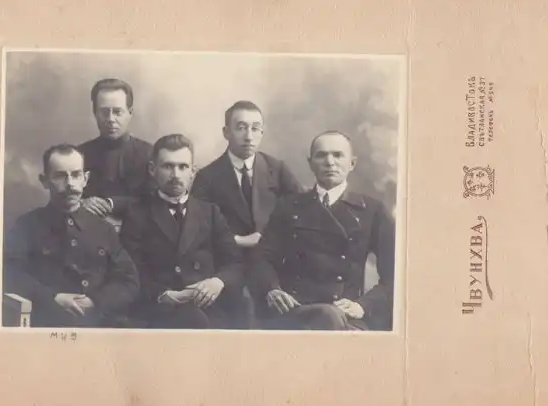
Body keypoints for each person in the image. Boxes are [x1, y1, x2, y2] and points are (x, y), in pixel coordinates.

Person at [250, 131, 395, 331]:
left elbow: (395, 273)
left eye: (338, 155)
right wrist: (272, 289)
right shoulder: (289, 207)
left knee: (330, 318)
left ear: (352, 163)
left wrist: (364, 305)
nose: (329, 162)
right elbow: (262, 259)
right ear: (310, 163)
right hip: (295, 310)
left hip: (345, 314)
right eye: (321, 155)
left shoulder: (372, 210)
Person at [3, 144, 140, 328]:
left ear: (85, 179)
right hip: (47, 323)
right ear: (44, 181)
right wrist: (52, 298)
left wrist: (95, 301)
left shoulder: (104, 230)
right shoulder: (28, 225)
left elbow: (128, 280)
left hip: (97, 324)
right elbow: (9, 272)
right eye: (60, 176)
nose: (70, 184)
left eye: (76, 175)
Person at [190, 101, 302, 326]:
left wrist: (272, 239)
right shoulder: (207, 177)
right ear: (226, 132)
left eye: (255, 128)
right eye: (241, 128)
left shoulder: (277, 170)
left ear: (262, 132)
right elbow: (196, 229)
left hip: (274, 265)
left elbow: (300, 212)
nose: (249, 136)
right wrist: (238, 240)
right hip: (228, 265)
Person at [120, 134, 245, 329]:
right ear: (153, 169)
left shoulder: (210, 212)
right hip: (160, 307)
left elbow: (234, 263)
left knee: (243, 312)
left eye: (183, 167)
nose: (176, 175)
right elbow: (131, 271)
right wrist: (164, 294)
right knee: (192, 320)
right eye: (167, 166)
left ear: (193, 171)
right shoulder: (138, 214)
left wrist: (218, 281)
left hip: (208, 303)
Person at [78, 78, 154, 221]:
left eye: (117, 112)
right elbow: (63, 197)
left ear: (130, 113)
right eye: (104, 112)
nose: (111, 119)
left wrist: (112, 204)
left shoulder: (150, 154)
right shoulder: (79, 155)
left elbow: (156, 201)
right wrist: (80, 203)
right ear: (95, 113)